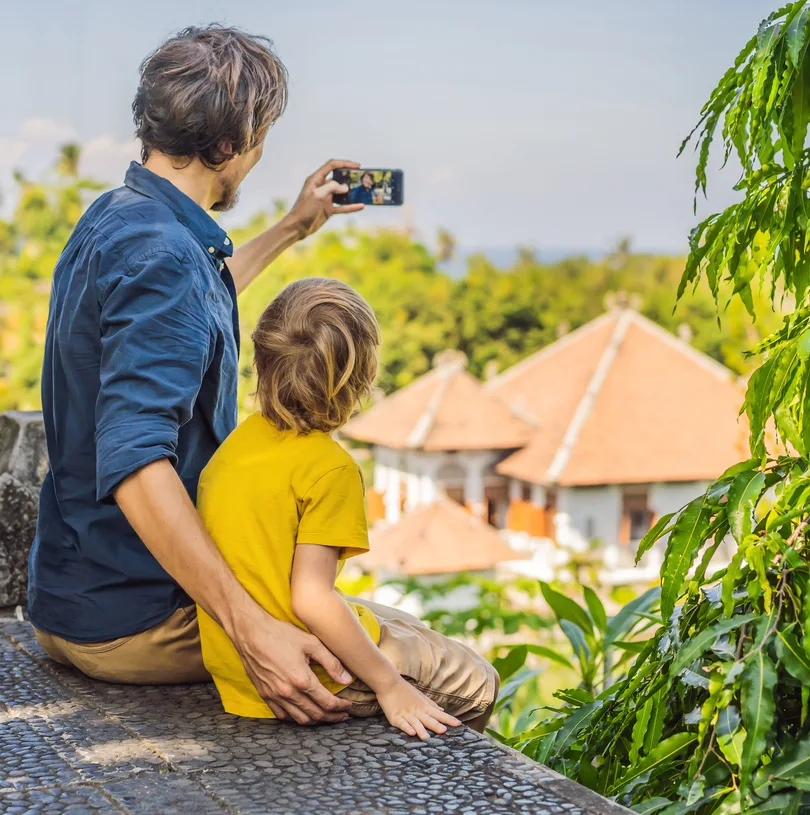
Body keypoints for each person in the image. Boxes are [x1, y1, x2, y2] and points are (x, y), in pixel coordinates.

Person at [28, 24, 367, 725]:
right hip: (138, 618)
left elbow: (192, 307)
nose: (258, 152)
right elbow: (135, 461)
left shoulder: (122, 219)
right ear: (225, 147)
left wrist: (293, 228)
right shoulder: (167, 256)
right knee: (441, 671)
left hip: (70, 600)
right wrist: (250, 628)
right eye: (260, 134)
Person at [196, 278, 499, 738]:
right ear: (357, 381)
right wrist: (389, 686)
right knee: (478, 681)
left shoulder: (238, 442)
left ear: (262, 361)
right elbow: (312, 598)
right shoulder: (330, 468)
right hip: (307, 668)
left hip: (231, 661)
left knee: (412, 627)